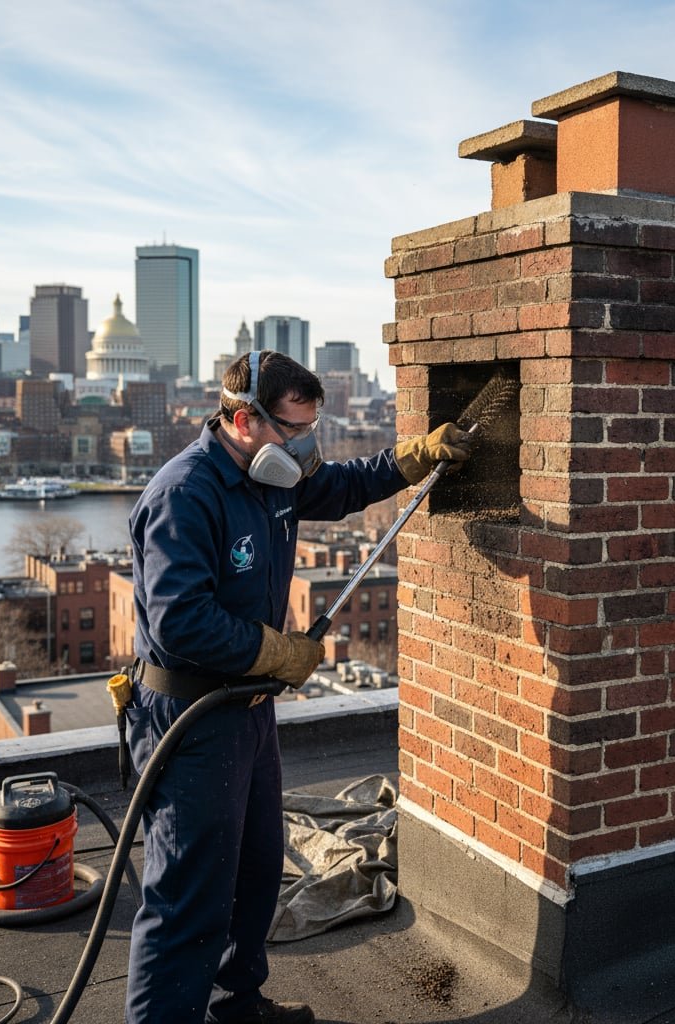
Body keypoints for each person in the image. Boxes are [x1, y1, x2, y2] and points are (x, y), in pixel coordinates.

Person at [123, 350, 472, 1024]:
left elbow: (340, 486)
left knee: (255, 871)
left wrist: (417, 456)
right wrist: (281, 652)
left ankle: (237, 1006)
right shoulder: (184, 494)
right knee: (190, 895)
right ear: (244, 418)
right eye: (293, 431)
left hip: (249, 712)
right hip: (191, 719)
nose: (303, 447)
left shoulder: (271, 476)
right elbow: (180, 623)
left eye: (311, 430)